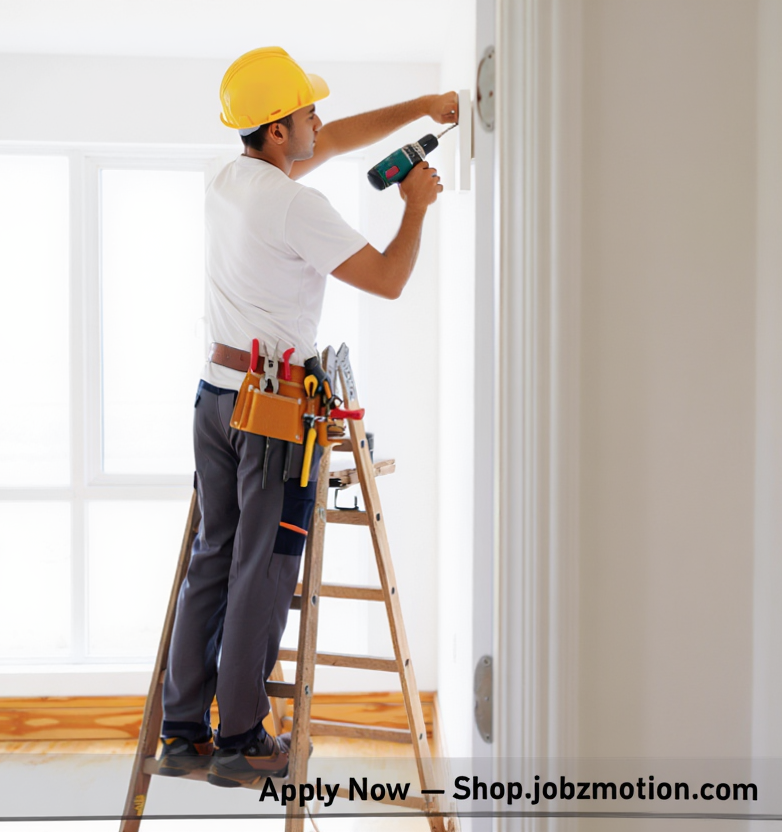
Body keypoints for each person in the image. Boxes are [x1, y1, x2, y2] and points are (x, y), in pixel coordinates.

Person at [156, 46, 451, 788]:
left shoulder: (233, 180)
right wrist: (415, 208)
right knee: (266, 563)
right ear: (279, 131)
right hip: (276, 413)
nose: (319, 118)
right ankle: (245, 738)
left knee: (214, 557)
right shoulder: (295, 204)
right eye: (307, 111)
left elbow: (340, 137)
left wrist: (424, 105)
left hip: (217, 395)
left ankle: (185, 732)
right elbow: (386, 279)